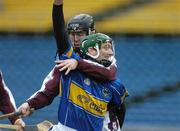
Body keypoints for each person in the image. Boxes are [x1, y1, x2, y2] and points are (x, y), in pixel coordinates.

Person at [18, 31, 127, 130]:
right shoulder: (70, 70)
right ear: (91, 50)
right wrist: (29, 104)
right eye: (106, 48)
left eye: (80, 34)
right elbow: (48, 92)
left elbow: (120, 109)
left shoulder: (115, 84)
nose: (111, 53)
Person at [53, 0, 126, 130]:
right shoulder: (68, 61)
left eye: (79, 34)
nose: (75, 39)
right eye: (72, 34)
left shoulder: (112, 77)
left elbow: (109, 74)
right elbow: (60, 35)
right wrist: (57, 5)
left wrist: (78, 63)